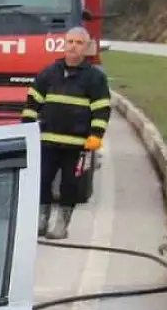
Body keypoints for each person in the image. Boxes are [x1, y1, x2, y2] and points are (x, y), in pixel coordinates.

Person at [21, 25, 111, 239]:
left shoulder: (95, 78)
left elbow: (102, 109)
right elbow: (32, 103)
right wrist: (26, 130)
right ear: (63, 44)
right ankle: (41, 220)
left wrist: (96, 136)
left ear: (86, 48)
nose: (73, 46)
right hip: (47, 142)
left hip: (78, 145)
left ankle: (62, 224)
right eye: (70, 42)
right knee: (42, 180)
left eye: (79, 43)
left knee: (69, 185)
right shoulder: (49, 73)